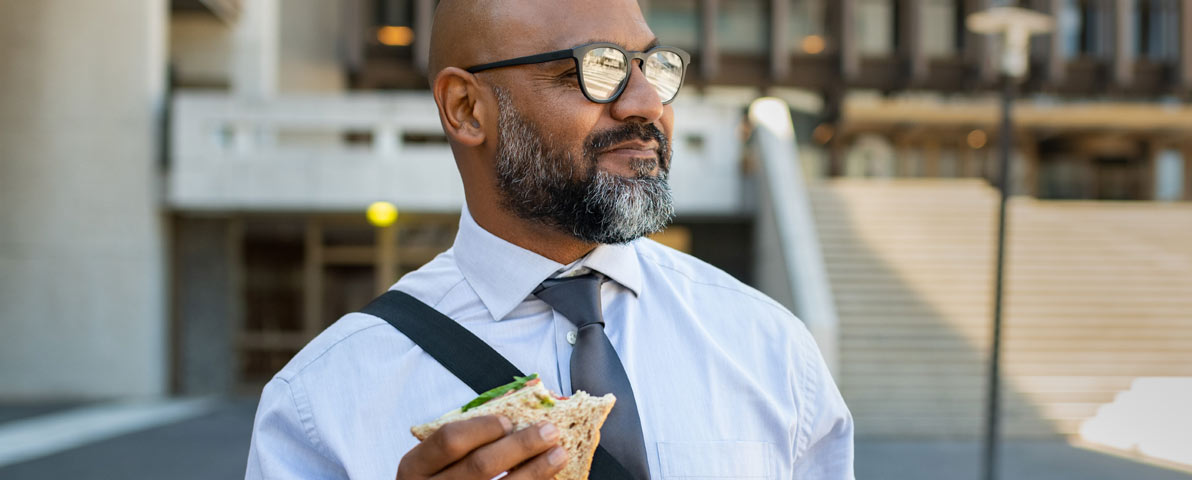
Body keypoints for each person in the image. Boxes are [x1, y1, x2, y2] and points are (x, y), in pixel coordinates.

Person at [243, 0, 854, 478]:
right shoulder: (320, 401)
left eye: (654, 66)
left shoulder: (769, 350)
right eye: (600, 68)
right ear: (465, 109)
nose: (647, 103)